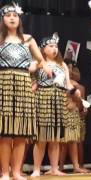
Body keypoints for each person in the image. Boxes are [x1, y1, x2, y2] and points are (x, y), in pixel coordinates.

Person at [0, 4, 50, 180]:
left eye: (15, 15)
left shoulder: (28, 39)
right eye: (8, 15)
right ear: (3, 19)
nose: (12, 18)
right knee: (5, 132)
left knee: (20, 132)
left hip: (23, 84)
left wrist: (39, 66)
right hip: (3, 84)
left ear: (19, 19)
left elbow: (40, 60)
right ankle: (5, 172)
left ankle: (16, 172)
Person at [31, 33, 80, 177]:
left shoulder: (62, 64)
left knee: (55, 138)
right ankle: (36, 169)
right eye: (50, 46)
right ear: (43, 49)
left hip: (59, 99)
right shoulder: (39, 63)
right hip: (43, 98)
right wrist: (39, 63)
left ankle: (54, 168)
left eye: (56, 46)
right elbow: (30, 70)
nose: (54, 49)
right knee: (41, 138)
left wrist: (75, 92)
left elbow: (68, 84)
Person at [59, 59, 90, 174]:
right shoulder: (59, 81)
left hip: (74, 114)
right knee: (62, 143)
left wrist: (80, 103)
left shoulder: (76, 85)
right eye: (68, 68)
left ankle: (77, 166)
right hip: (62, 112)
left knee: (74, 141)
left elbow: (80, 98)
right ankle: (59, 167)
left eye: (72, 68)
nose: (71, 70)